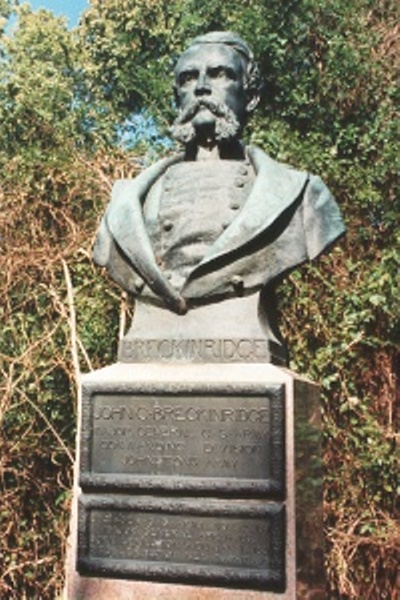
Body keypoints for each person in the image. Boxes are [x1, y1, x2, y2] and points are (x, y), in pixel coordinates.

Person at [93, 31, 345, 318]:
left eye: (219, 74)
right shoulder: (126, 201)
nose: (201, 87)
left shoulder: (302, 196)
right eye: (188, 78)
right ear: (177, 96)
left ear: (250, 96)